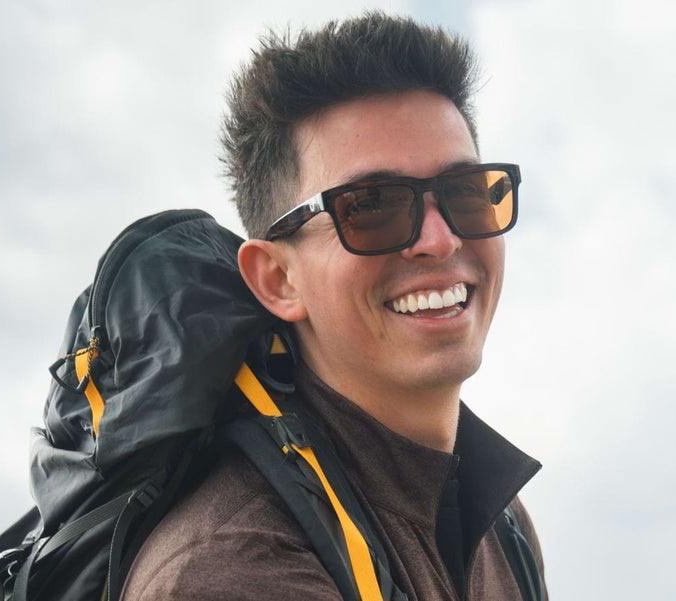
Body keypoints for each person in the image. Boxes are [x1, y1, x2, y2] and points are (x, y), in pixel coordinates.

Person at [119, 12, 545, 601]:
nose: (441, 239)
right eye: (370, 206)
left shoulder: (503, 523)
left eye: (465, 192)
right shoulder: (235, 566)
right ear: (277, 279)